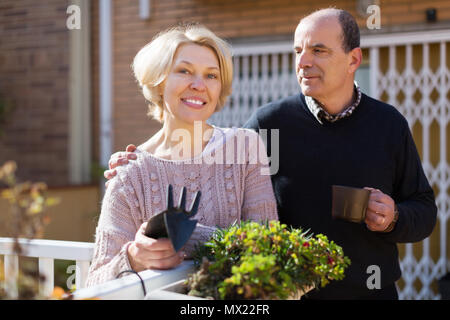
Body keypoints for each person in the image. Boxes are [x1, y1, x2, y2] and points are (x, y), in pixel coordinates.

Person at [106, 9, 437, 299]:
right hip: (287, 295)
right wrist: (138, 164)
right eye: (298, 51)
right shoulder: (270, 124)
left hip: (371, 294)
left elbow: (424, 211)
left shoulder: (388, 125)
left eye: (318, 50)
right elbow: (207, 155)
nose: (303, 62)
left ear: (353, 60)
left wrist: (394, 217)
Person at [86, 24, 278, 287]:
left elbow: (268, 248)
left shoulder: (245, 147)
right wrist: (132, 258)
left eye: (211, 76)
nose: (199, 85)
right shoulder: (130, 171)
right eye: (184, 71)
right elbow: (94, 284)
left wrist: (186, 235)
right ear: (159, 81)